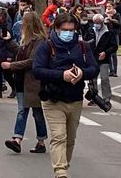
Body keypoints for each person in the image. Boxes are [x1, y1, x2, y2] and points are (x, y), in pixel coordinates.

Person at [33, 13, 99, 178]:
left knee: (70, 139)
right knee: (58, 136)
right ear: (56, 29)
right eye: (64, 30)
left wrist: (82, 73)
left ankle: (64, 165)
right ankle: (60, 172)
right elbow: (37, 70)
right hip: (53, 99)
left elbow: (94, 68)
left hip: (75, 99)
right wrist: (62, 75)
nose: (68, 33)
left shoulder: (83, 46)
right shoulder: (46, 47)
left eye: (71, 29)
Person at [2, 12, 48, 154]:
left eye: (24, 23)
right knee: (23, 110)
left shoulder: (40, 41)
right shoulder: (27, 40)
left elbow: (32, 61)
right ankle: (17, 139)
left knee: (36, 112)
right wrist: (9, 41)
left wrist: (12, 66)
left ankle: (40, 140)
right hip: (22, 81)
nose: (22, 25)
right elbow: (20, 53)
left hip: (33, 82)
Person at [85, 14, 117, 106]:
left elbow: (114, 46)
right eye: (95, 22)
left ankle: (106, 98)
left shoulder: (108, 32)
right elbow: (85, 42)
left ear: (102, 23)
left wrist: (105, 53)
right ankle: (94, 97)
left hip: (104, 59)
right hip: (92, 59)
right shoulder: (91, 31)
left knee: (104, 78)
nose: (96, 24)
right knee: (93, 80)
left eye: (98, 23)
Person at [0, 7, 17, 98]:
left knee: (7, 73)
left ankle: (14, 88)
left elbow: (7, 39)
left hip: (4, 53)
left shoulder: (5, 26)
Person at [104, 0, 121, 77]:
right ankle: (110, 70)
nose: (108, 8)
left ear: (113, 7)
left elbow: (119, 24)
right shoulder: (104, 14)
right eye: (107, 7)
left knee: (114, 53)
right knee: (108, 52)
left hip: (114, 34)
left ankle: (115, 71)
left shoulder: (117, 14)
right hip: (107, 35)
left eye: (109, 6)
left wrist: (112, 20)